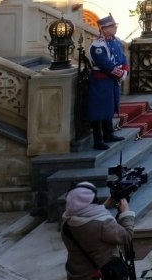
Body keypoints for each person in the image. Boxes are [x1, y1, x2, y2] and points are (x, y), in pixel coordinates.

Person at [60, 181, 135, 280]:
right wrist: (126, 213)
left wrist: (104, 205)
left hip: (76, 273)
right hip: (100, 274)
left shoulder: (66, 221)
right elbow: (126, 236)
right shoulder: (102, 224)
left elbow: (85, 215)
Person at [88, 16, 129, 150]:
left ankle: (108, 133)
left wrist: (125, 71)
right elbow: (105, 64)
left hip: (112, 80)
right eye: (112, 26)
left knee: (110, 107)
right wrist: (121, 74)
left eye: (114, 25)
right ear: (103, 29)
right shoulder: (98, 45)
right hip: (101, 81)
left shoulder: (115, 41)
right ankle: (98, 139)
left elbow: (123, 58)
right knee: (99, 110)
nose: (115, 28)